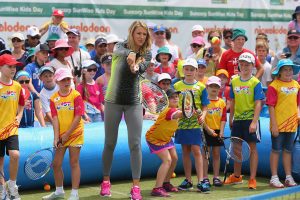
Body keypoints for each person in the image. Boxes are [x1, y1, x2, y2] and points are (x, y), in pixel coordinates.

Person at [100, 20, 151, 200]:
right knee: (110, 143)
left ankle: (135, 187)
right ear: (131, 33)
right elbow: (120, 51)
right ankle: (106, 181)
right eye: (138, 33)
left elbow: (140, 68)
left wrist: (135, 66)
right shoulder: (120, 46)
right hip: (113, 100)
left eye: (144, 34)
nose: (141, 37)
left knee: (135, 144)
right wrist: (130, 54)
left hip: (134, 102)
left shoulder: (148, 53)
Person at [42, 68, 84, 200]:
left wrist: (67, 135)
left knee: (74, 162)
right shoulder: (54, 98)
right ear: (57, 81)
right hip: (61, 135)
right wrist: (56, 138)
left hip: (75, 133)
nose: (66, 82)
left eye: (68, 79)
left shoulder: (76, 95)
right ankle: (59, 191)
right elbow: (54, 119)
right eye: (63, 80)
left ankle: (74, 194)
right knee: (56, 164)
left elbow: (78, 117)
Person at [225, 52, 265, 189]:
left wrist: (254, 122)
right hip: (237, 120)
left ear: (253, 66)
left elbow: (258, 103)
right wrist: (231, 118)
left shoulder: (255, 82)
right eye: (242, 64)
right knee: (236, 148)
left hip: (250, 120)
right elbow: (232, 101)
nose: (244, 66)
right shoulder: (234, 80)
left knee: (252, 148)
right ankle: (237, 176)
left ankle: (252, 179)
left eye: (247, 64)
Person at [173, 58, 210, 192]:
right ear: (183, 70)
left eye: (191, 69)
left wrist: (203, 116)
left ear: (196, 71)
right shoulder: (176, 86)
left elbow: (205, 106)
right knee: (185, 151)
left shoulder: (201, 87)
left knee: (196, 150)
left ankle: (201, 181)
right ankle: (188, 180)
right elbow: (173, 104)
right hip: (182, 124)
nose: (188, 72)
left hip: (195, 124)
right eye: (186, 69)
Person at [266, 59, 299, 188]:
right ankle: (274, 177)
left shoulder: (296, 85)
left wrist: (298, 114)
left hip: (292, 125)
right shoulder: (274, 86)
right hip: (278, 125)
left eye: (290, 69)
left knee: (288, 151)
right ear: (279, 72)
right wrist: (274, 125)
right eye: (285, 69)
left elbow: (298, 103)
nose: (288, 72)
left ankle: (288, 176)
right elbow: (271, 106)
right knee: (275, 150)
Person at [146, 88, 182, 197]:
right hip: (154, 138)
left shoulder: (176, 109)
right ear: (166, 100)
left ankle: (166, 183)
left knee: (174, 158)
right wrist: (190, 111)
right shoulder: (169, 111)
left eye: (176, 96)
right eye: (172, 97)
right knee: (167, 160)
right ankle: (157, 188)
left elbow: (181, 113)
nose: (175, 98)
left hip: (166, 138)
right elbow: (179, 115)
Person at [0, 54, 25, 200]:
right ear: (1, 67)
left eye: (14, 66)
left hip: (11, 128)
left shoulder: (17, 86)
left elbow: (21, 103)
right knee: (1, 161)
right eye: (9, 66)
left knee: (15, 155)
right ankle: (2, 189)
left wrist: (19, 116)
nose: (13, 69)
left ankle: (13, 186)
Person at [202, 76, 226, 187]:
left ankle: (216, 177)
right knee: (206, 155)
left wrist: (221, 131)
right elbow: (201, 119)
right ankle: (205, 178)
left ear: (220, 88)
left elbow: (223, 118)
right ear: (207, 87)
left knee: (216, 154)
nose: (214, 88)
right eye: (211, 86)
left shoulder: (222, 103)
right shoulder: (204, 102)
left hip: (217, 131)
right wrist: (208, 129)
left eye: (216, 86)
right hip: (205, 131)